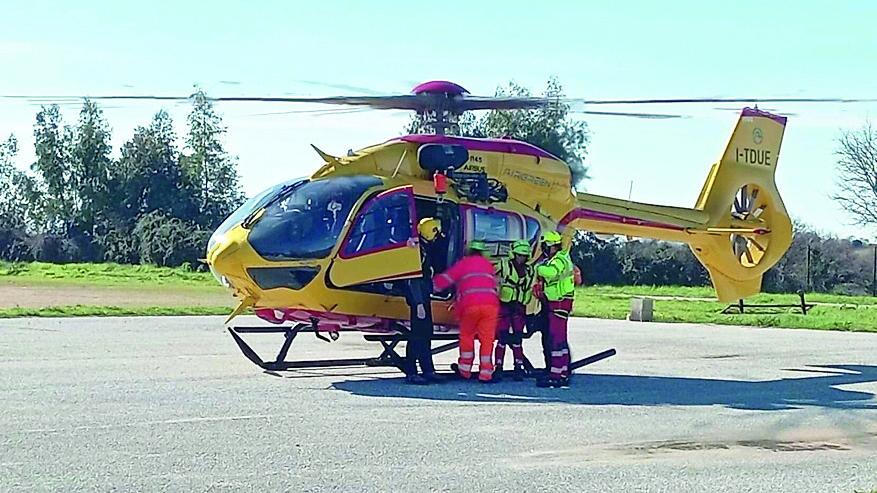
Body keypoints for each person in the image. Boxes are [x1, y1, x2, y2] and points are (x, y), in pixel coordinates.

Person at [433, 240, 499, 383]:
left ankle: (464, 370)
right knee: (487, 340)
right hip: (491, 306)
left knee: (467, 336)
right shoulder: (488, 265)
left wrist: (430, 285)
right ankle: (486, 373)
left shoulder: (464, 263)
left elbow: (445, 280)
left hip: (470, 305)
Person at [403, 217, 443, 385]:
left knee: (426, 334)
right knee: (417, 335)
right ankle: (412, 372)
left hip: (424, 297)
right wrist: (419, 304)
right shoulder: (418, 252)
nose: (437, 237)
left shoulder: (423, 249)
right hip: (418, 299)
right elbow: (413, 280)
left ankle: (428, 370)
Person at [534, 231, 576, 388]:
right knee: (560, 339)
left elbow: (551, 273)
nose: (544, 249)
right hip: (558, 304)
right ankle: (563, 372)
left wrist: (538, 267)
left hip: (559, 304)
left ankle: (556, 375)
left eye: (545, 246)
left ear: (551, 246)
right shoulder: (561, 258)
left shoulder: (559, 260)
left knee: (556, 340)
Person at [493, 240, 535, 381]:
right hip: (505, 305)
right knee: (502, 338)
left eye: (524, 256)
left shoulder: (530, 270)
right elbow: (490, 274)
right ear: (514, 254)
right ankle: (498, 368)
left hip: (519, 307)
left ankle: (518, 368)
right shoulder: (503, 264)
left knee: (517, 339)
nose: (521, 258)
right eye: (519, 255)